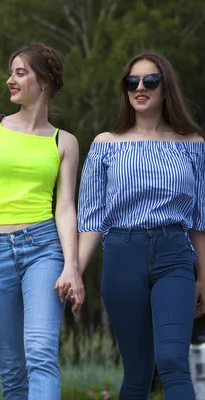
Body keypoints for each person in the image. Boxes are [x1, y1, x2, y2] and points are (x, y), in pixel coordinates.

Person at [0, 43, 84, 399]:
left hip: (43, 249)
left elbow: (66, 208)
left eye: (20, 73)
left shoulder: (64, 142)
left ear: (44, 81)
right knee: (12, 369)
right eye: (11, 72)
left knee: (40, 352)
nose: (10, 80)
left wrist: (72, 265)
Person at [77, 52, 205, 399]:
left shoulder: (193, 144)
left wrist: (204, 277)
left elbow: (200, 219)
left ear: (167, 88)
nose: (140, 88)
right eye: (132, 82)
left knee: (172, 360)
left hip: (175, 254)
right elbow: (90, 220)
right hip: (122, 254)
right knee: (137, 372)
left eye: (151, 80)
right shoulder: (106, 144)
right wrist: (74, 272)